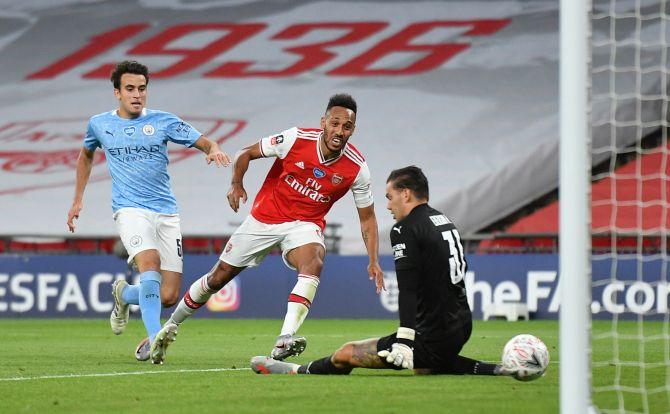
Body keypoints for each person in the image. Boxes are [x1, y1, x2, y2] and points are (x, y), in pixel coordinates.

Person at [151, 93, 384, 365]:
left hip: (305, 225)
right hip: (265, 217)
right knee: (218, 278)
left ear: (353, 130)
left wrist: (373, 259)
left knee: (314, 261)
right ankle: (171, 325)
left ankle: (285, 338)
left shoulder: (357, 168)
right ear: (323, 122)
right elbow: (245, 153)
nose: (339, 131)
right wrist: (236, 184)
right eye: (335, 123)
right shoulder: (296, 139)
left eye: (346, 127)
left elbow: (367, 218)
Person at [250, 166, 514, 377]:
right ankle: (498, 369)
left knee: (346, 353)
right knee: (428, 364)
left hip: (430, 333)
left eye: (390, 197)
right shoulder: (443, 220)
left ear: (406, 194)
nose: (388, 206)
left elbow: (408, 289)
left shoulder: (405, 229)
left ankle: (295, 370)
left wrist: (405, 340)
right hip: (460, 326)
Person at [66, 60, 231, 361]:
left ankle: (124, 294)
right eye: (130, 89)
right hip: (129, 210)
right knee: (149, 263)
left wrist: (215, 149)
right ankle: (156, 339)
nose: (137, 94)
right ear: (117, 92)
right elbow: (85, 156)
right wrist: (78, 200)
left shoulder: (164, 121)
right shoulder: (100, 124)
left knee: (167, 296)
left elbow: (205, 141)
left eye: (142, 89)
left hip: (166, 213)